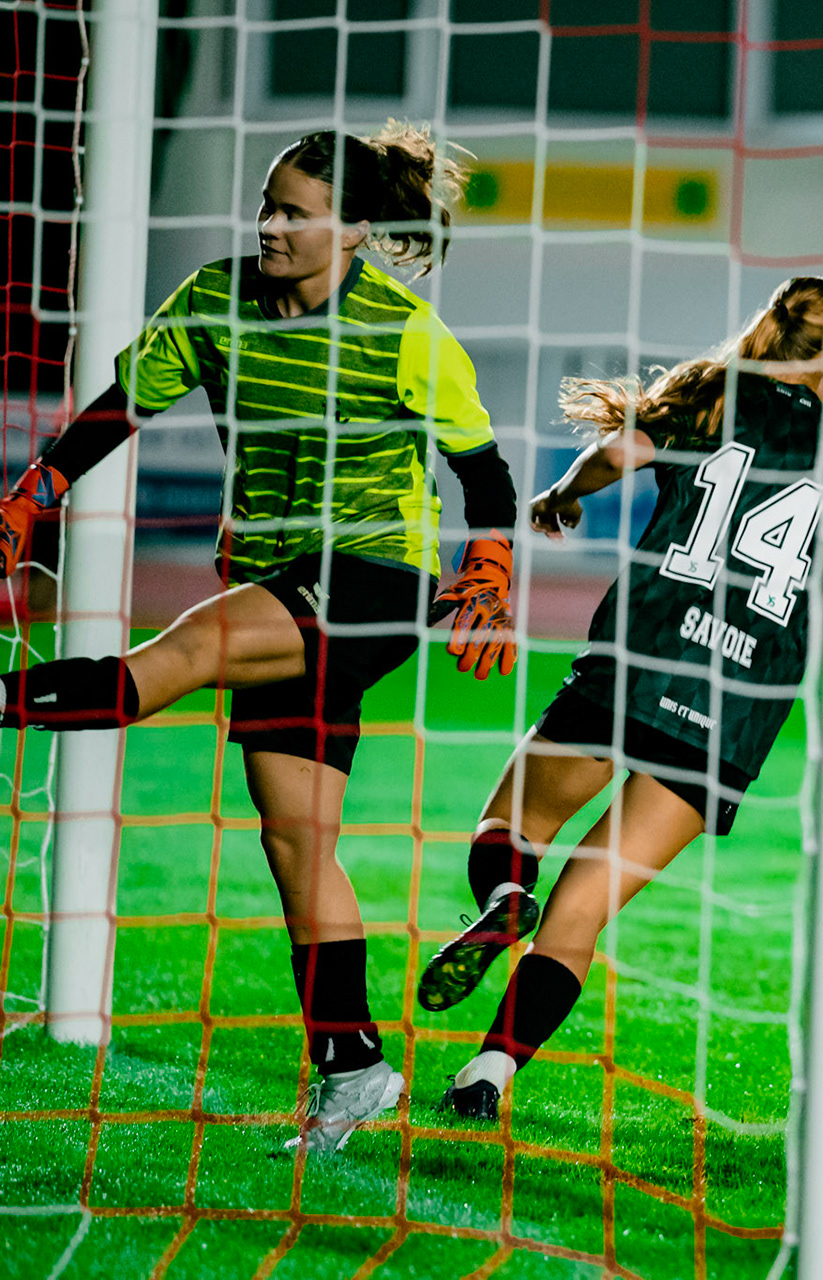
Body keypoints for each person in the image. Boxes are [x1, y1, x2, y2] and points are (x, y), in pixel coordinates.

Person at [0, 123, 519, 1149]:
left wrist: (492, 562)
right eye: (267, 205)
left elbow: (483, 469)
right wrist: (37, 487)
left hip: (375, 574)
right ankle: (356, 1068)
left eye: (296, 212)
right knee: (296, 844)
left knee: (183, 654)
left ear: (354, 229)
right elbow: (121, 408)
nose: (272, 226)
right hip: (275, 573)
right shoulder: (214, 299)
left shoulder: (405, 333)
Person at [413, 277, 823, 1120]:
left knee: (514, 823)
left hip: (643, 657)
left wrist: (561, 495)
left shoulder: (715, 392)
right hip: (737, 704)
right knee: (582, 912)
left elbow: (620, 453)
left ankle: (502, 902)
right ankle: (489, 1072)